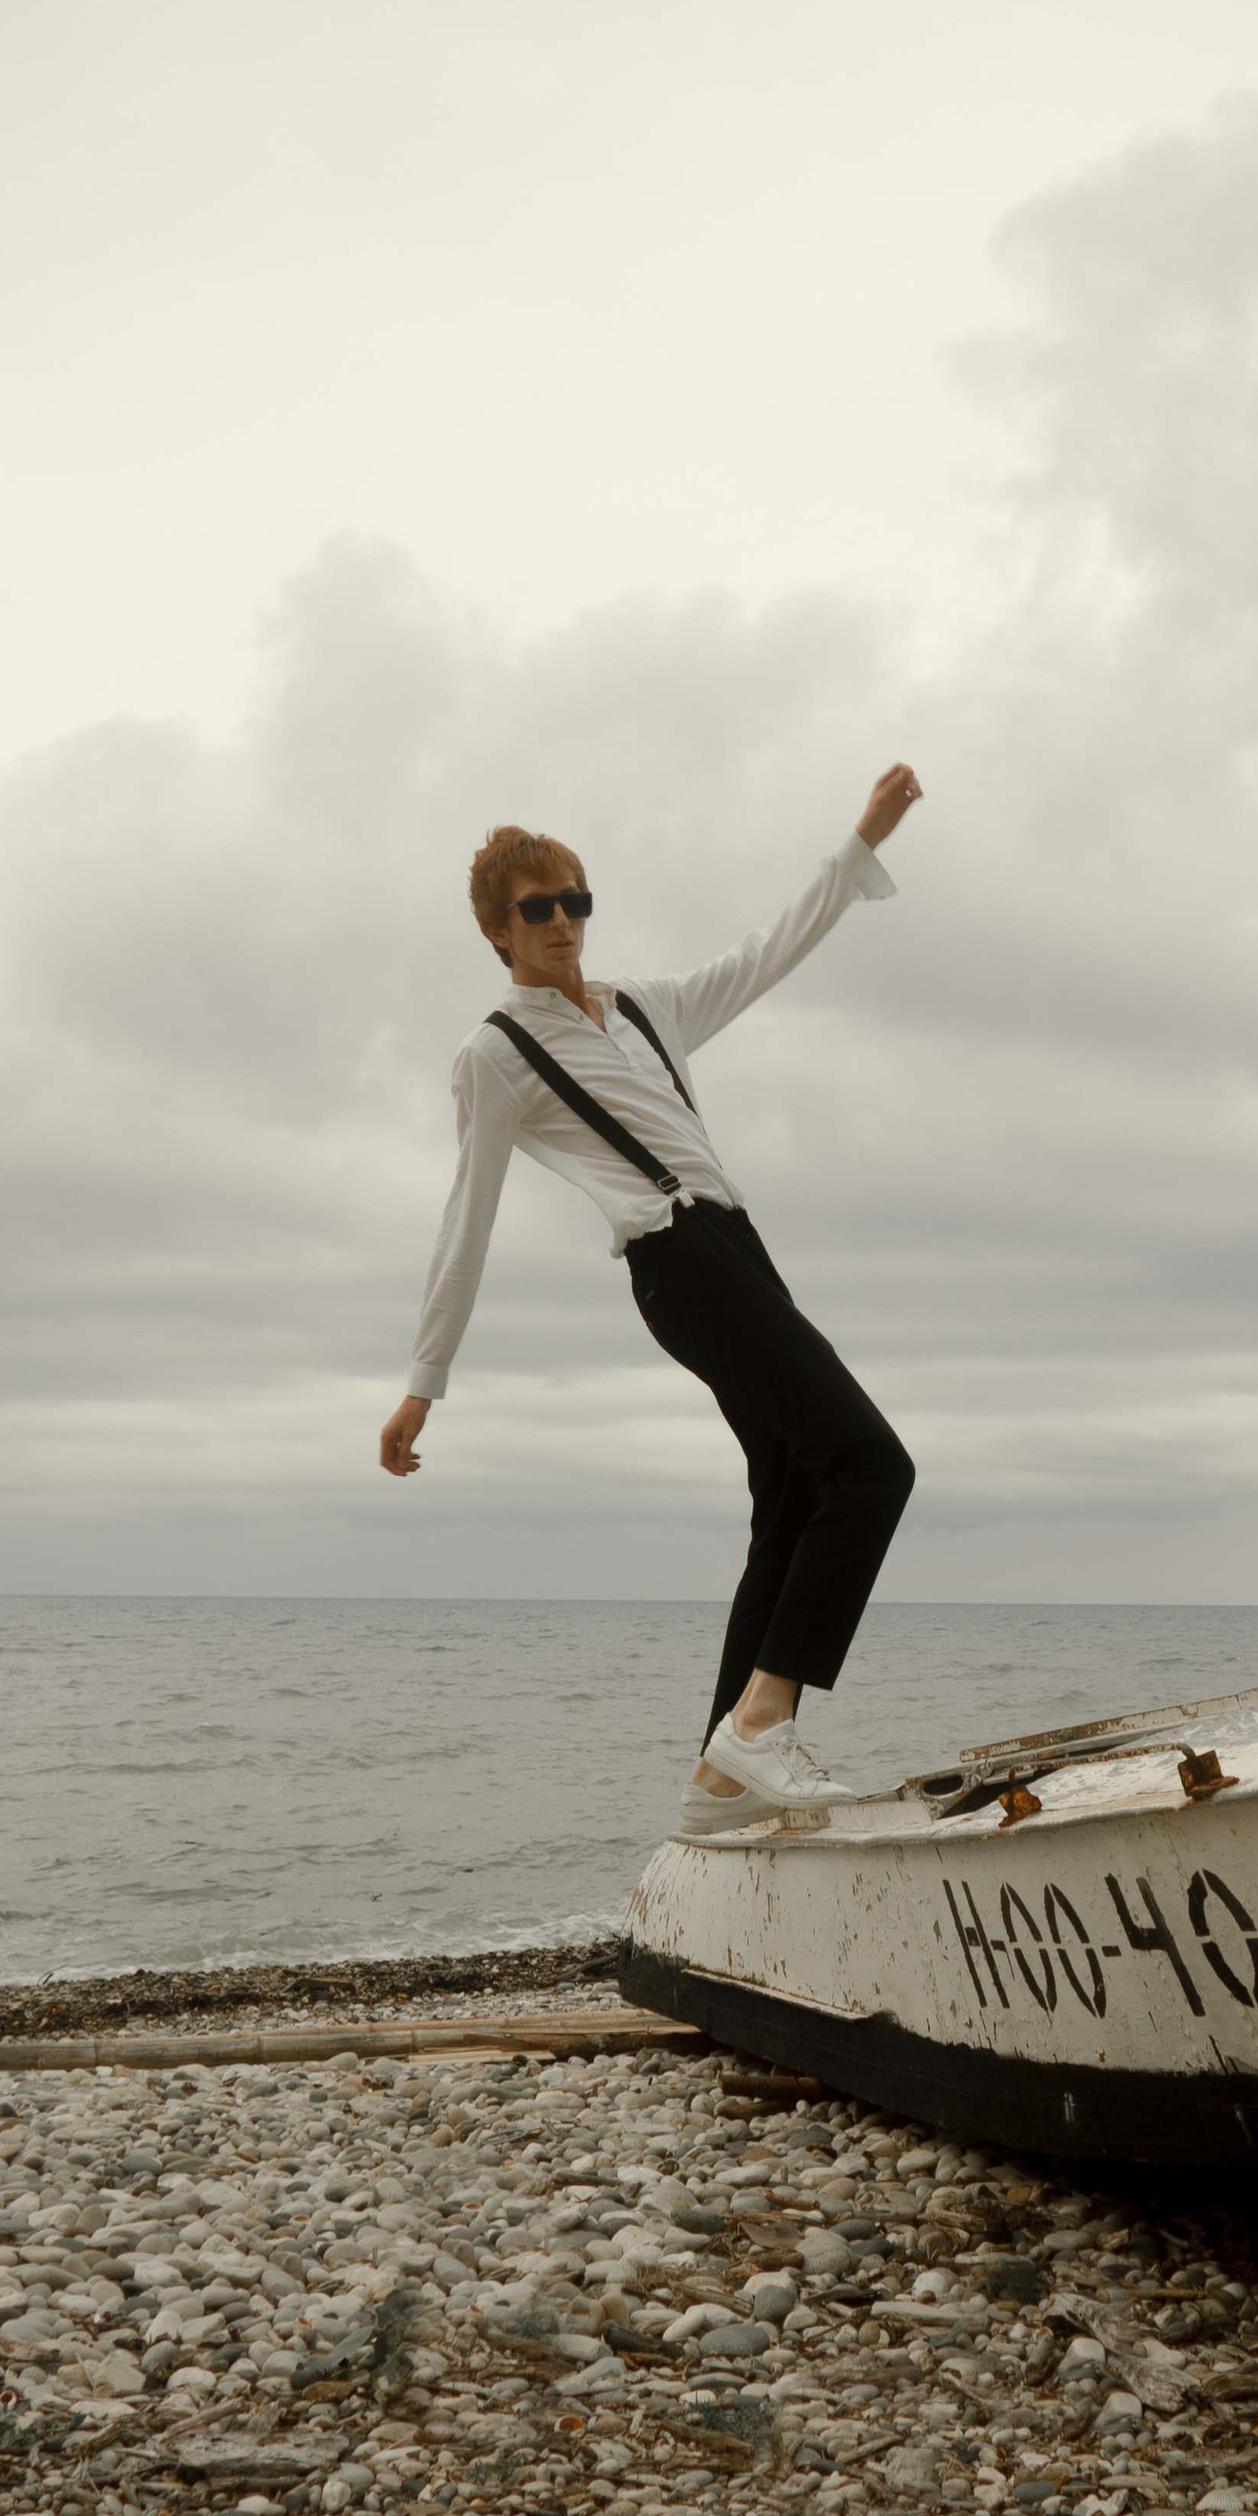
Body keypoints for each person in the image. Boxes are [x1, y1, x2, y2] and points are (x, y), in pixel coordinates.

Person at [380, 766, 922, 1833]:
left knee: (796, 1494)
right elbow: (465, 1214)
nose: (562, 921)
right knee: (871, 1465)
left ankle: (716, 1785)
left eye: (576, 899)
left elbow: (766, 952)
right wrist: (423, 1384)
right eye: (537, 907)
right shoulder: (493, 1055)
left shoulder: (641, 1007)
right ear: (496, 929)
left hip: (737, 1250)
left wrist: (857, 845)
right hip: (678, 1260)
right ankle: (759, 1727)